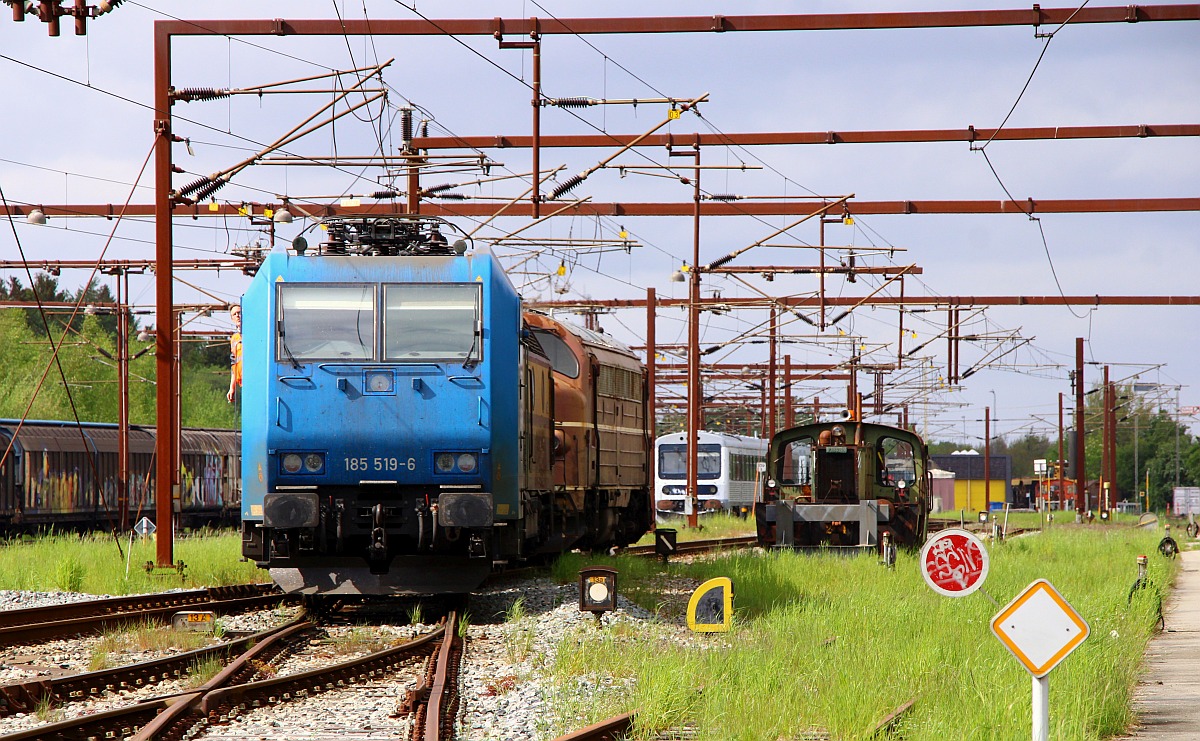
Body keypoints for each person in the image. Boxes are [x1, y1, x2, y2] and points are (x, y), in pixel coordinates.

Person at [226, 305, 242, 404]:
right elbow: (234, 364)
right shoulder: (234, 339)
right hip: (242, 382)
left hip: (254, 380)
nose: (237, 316)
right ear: (232, 318)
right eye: (234, 314)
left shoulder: (253, 334)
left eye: (239, 313)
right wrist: (232, 387)